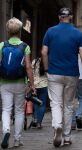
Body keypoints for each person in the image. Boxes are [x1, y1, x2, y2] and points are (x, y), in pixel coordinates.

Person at [41, 7, 82, 147]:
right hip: (72, 74)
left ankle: (57, 126)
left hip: (54, 72)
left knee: (56, 103)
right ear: (70, 17)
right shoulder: (77, 33)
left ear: (59, 17)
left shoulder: (50, 31)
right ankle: (67, 136)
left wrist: (46, 69)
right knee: (69, 105)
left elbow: (44, 52)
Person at [0, 17, 35, 148]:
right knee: (20, 111)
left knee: (6, 109)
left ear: (8, 31)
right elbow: (28, 67)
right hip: (20, 82)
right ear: (20, 31)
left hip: (4, 82)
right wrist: (31, 84)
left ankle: (6, 130)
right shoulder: (25, 46)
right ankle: (17, 140)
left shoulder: (2, 45)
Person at [31, 57, 49, 129]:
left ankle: (35, 119)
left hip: (35, 85)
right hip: (44, 85)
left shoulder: (34, 61)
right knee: (42, 104)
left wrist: (30, 84)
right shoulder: (48, 61)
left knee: (35, 103)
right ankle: (39, 123)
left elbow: (31, 73)